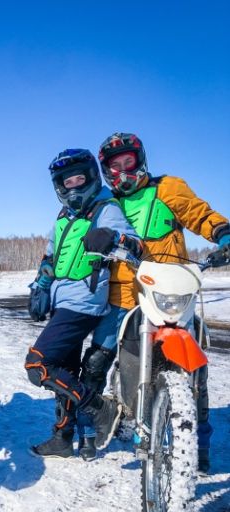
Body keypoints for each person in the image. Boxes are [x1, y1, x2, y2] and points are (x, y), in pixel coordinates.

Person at [81, 132, 230, 472]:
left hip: (171, 288)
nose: (122, 171)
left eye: (128, 162)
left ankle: (200, 441)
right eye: (114, 167)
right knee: (99, 357)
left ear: (140, 159)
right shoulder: (105, 203)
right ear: (106, 171)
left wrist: (223, 234)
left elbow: (198, 214)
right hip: (123, 293)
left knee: (195, 366)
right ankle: (88, 426)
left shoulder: (167, 188)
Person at [24, 148, 142, 460]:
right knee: (64, 369)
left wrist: (112, 239)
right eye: (67, 181)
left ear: (90, 177)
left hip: (85, 302)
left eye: (79, 179)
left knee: (38, 365)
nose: (74, 187)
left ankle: (100, 409)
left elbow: (135, 245)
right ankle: (62, 438)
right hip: (62, 302)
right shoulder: (65, 216)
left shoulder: (105, 208)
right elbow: (50, 256)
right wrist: (40, 287)